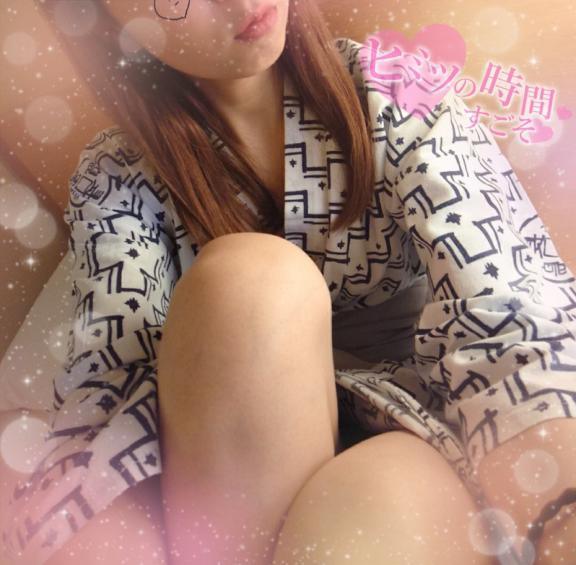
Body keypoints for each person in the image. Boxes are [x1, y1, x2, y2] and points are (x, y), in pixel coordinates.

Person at [3, 0, 576, 563]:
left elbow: (508, 307)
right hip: (233, 456)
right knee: (248, 283)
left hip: (424, 431)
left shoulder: (396, 87)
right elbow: (113, 385)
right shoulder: (115, 178)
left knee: (360, 504)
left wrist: (560, 514)